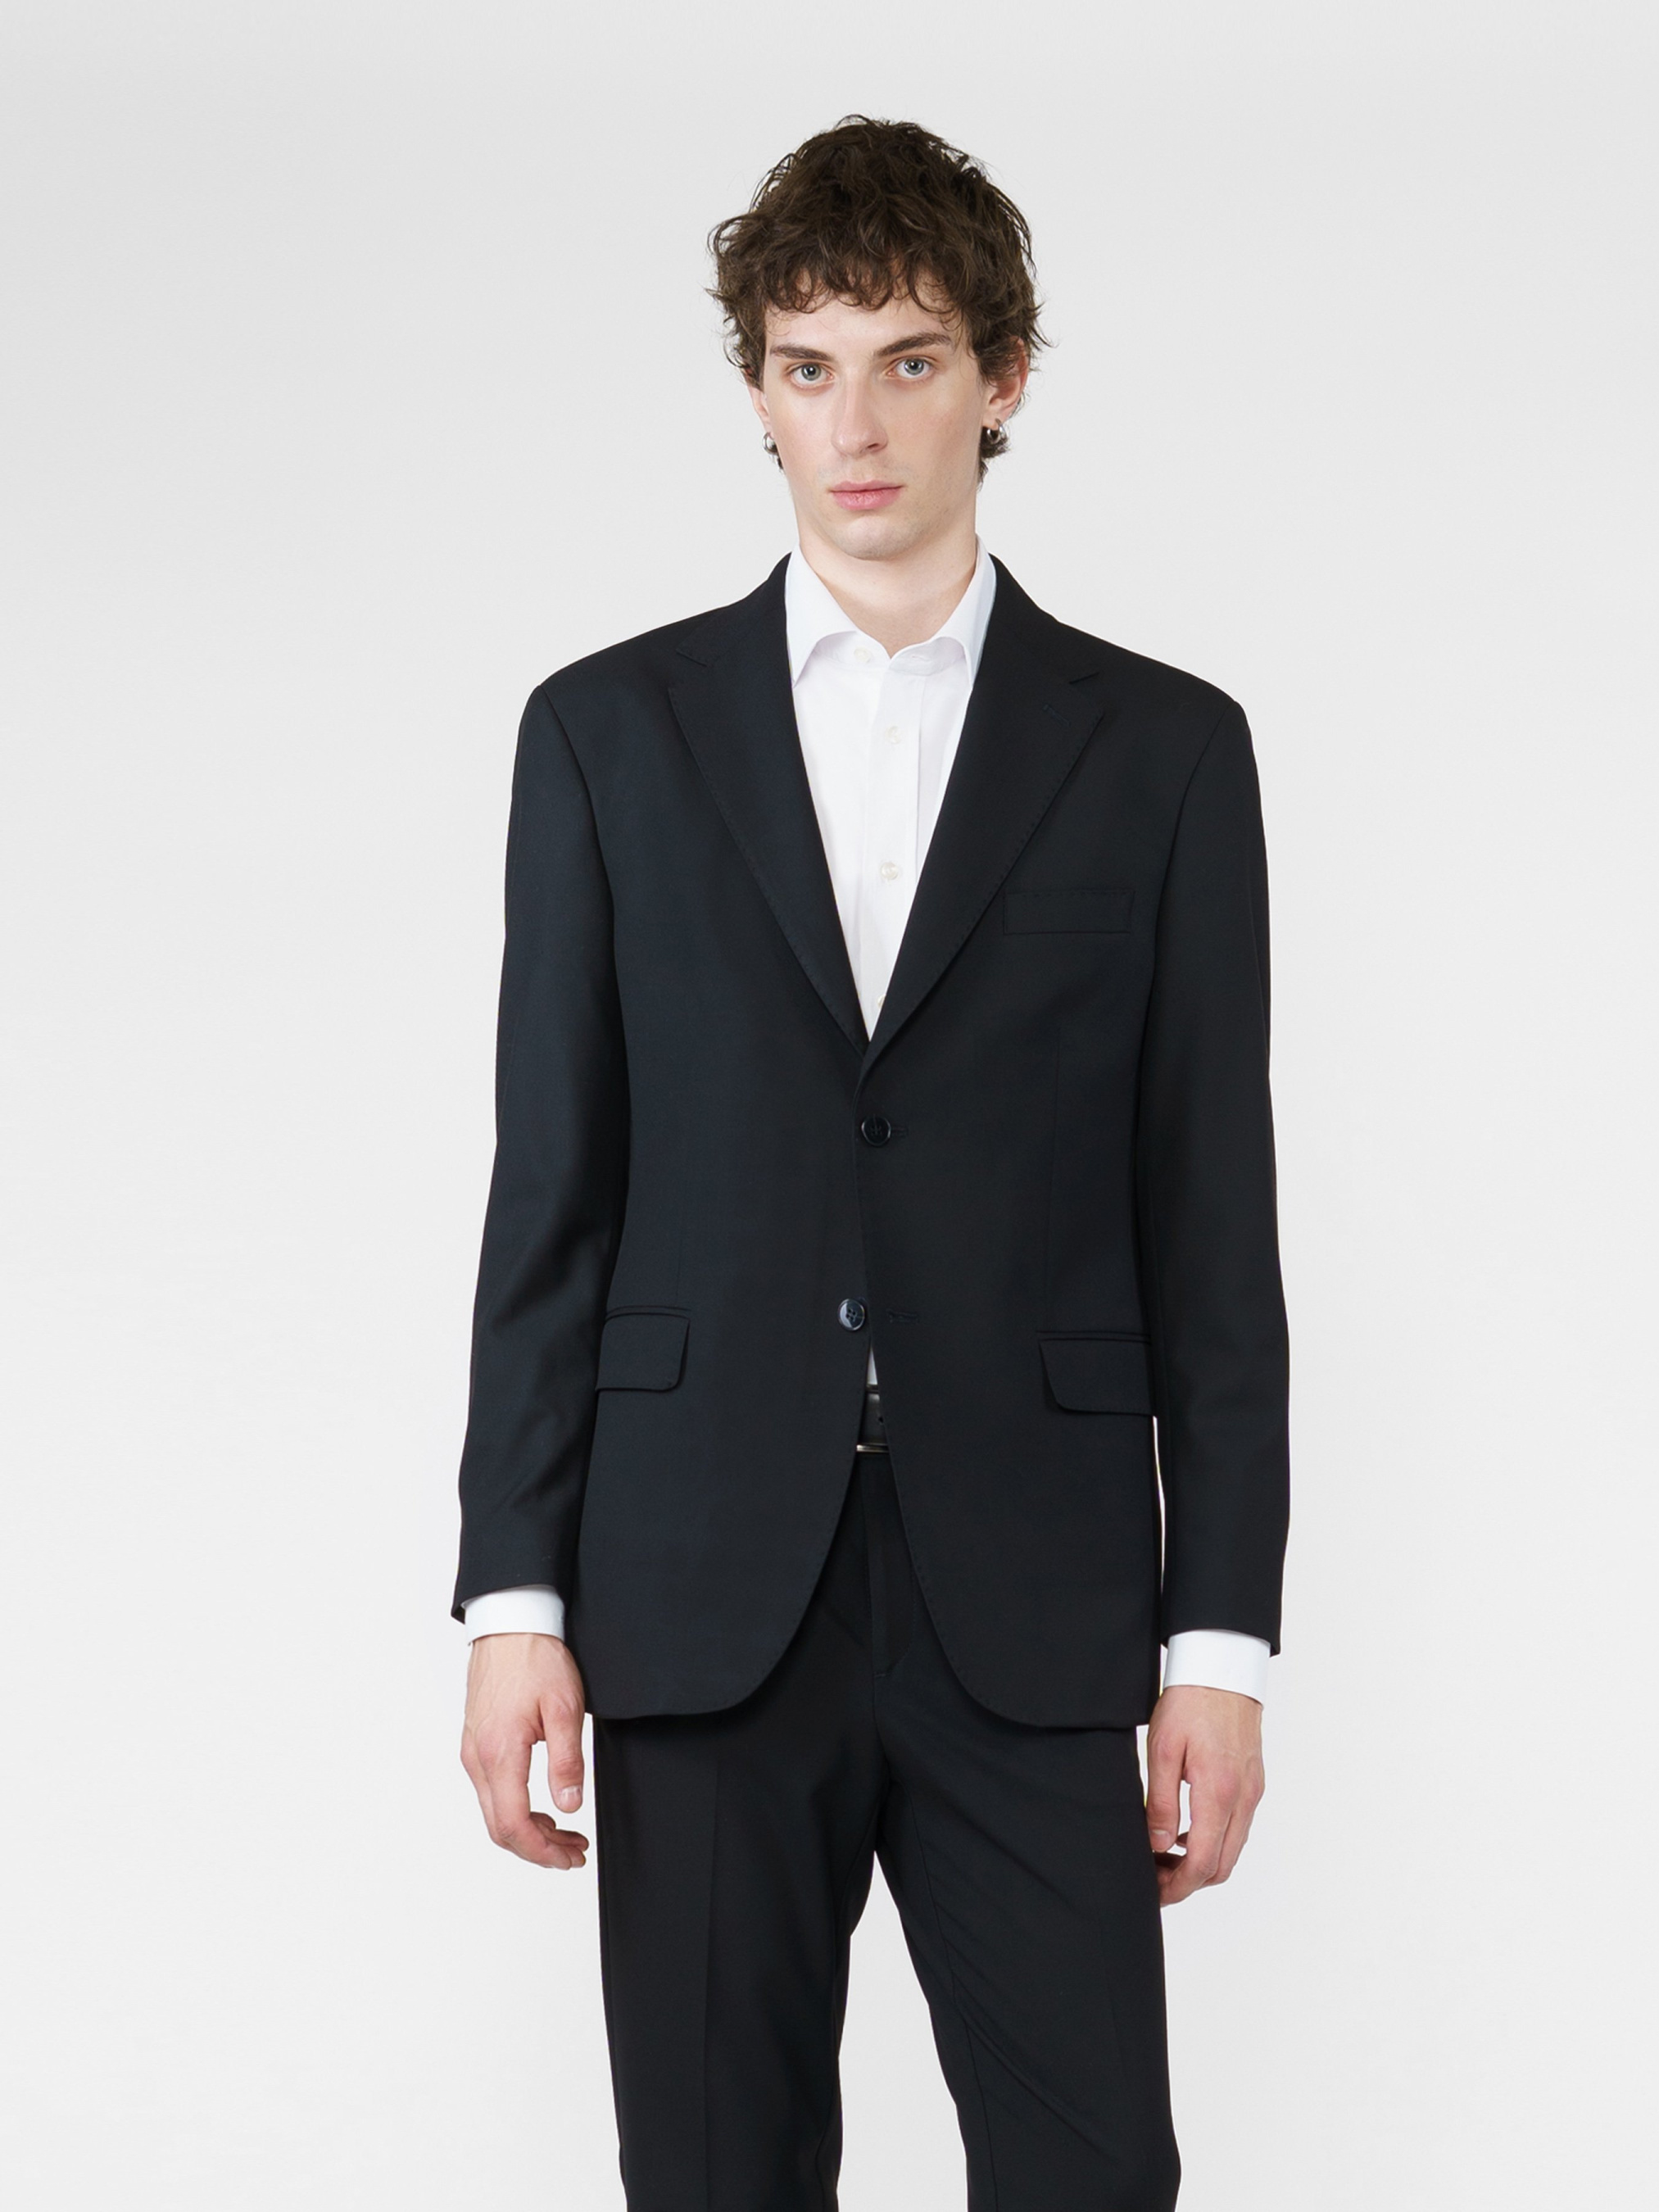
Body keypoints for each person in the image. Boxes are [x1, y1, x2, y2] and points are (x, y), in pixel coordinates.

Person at [453, 115, 1290, 2210]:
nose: (855, 423)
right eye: (807, 367)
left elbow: (1209, 1222)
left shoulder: (1162, 752)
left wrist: (1215, 1648)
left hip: (1035, 1590)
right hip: (696, 1585)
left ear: (1000, 378)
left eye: (908, 361)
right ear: (755, 388)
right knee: (714, 2175)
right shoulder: (606, 737)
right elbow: (552, 1196)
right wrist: (513, 1595)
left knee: (1091, 2174)